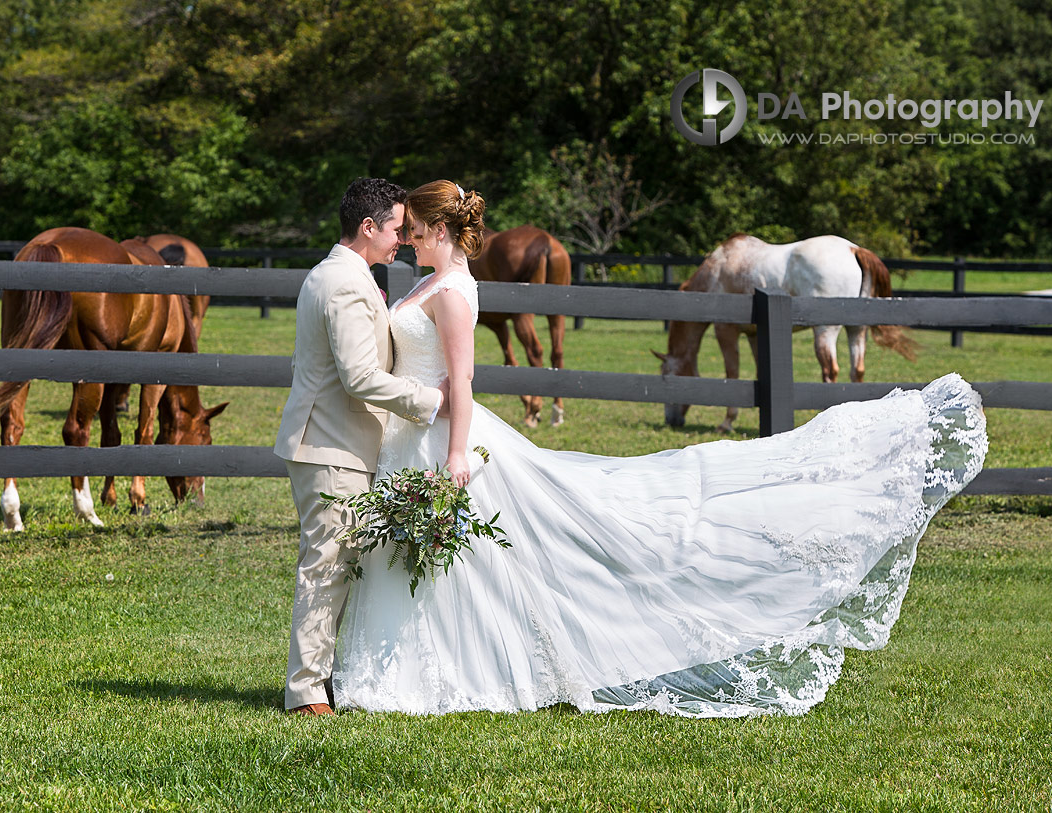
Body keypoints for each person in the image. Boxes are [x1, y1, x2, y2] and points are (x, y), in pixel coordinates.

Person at [331, 180, 989, 718]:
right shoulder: (422, 282)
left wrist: (454, 454)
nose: (406, 241)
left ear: (438, 230)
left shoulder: (450, 290)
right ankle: (426, 663)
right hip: (408, 436)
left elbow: (464, 377)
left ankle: (454, 668)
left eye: (413, 232)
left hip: (443, 439)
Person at [273, 178, 447, 716]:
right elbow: (359, 376)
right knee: (327, 565)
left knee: (338, 563)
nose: (401, 239)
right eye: (396, 228)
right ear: (368, 227)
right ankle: (305, 695)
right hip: (331, 444)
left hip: (335, 440)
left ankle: (323, 680)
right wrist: (428, 400)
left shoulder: (341, 274)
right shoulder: (345, 283)